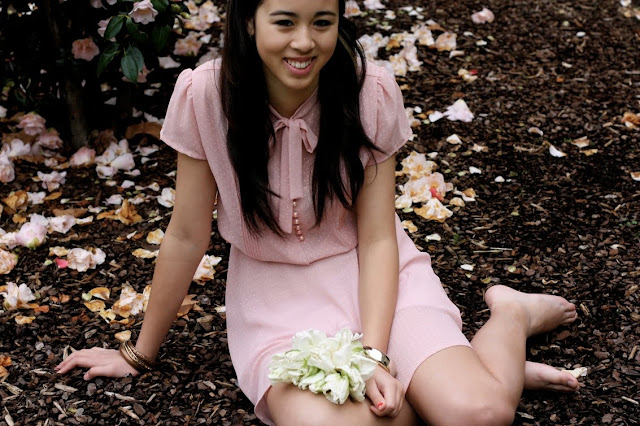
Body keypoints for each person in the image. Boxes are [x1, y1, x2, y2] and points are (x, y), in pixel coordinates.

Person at [56, 0, 583, 424]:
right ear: (249, 20)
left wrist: (374, 356)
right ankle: (466, 375)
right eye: (285, 22)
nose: (305, 42)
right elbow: (187, 234)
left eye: (322, 22)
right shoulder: (205, 96)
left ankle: (509, 316)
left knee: (479, 414)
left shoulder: (369, 91)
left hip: (377, 280)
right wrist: (138, 354)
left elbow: (378, 238)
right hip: (278, 306)